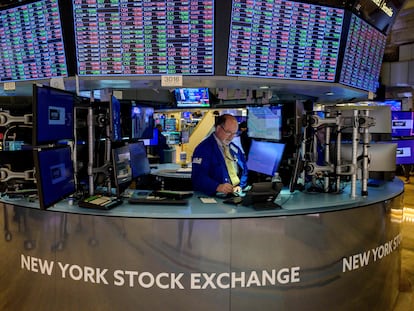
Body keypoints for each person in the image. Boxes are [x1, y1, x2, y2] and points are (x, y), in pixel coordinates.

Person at [191, 114, 248, 196]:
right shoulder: (203, 149)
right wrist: (217, 186)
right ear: (218, 128)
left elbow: (244, 170)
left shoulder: (235, 149)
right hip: (215, 196)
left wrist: (240, 186)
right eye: (228, 132)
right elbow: (198, 177)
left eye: (234, 133)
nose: (231, 137)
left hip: (235, 194)